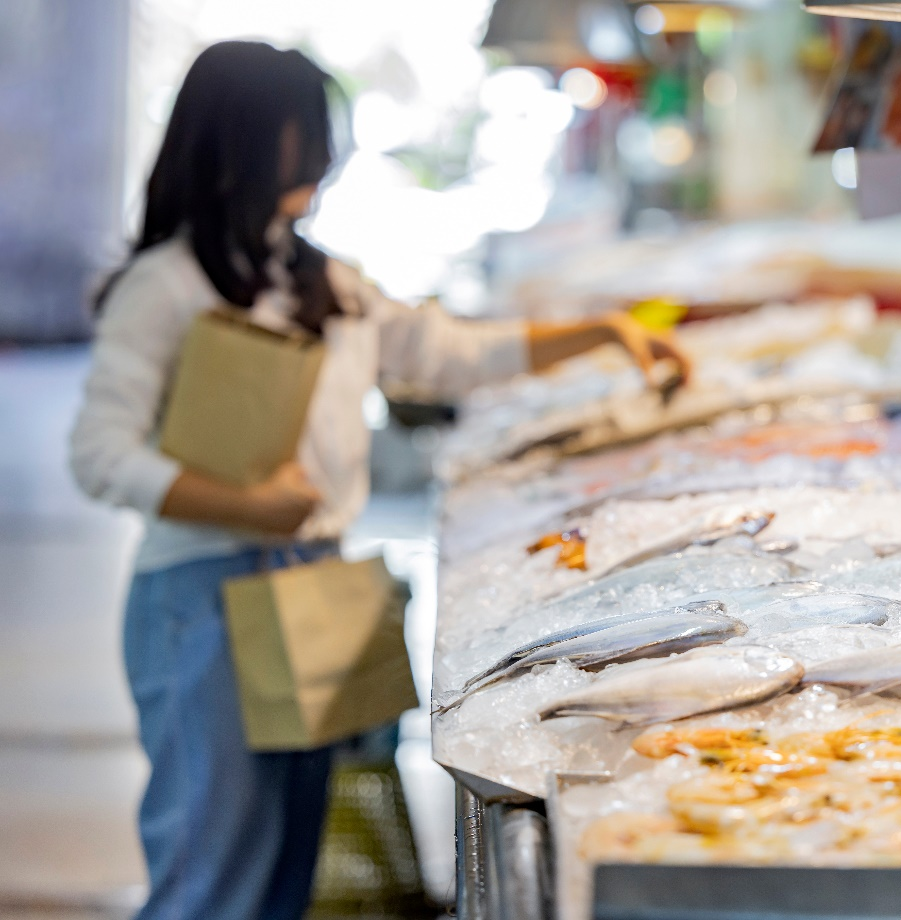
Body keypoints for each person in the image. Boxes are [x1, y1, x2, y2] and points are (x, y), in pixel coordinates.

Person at [69, 40, 688, 920]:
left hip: (311, 586)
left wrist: (601, 333)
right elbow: (100, 455)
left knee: (289, 864)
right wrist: (246, 507)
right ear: (238, 144)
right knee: (210, 869)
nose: (317, 165)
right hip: (202, 598)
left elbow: (446, 354)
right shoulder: (163, 289)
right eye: (298, 143)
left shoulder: (318, 277)